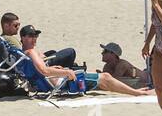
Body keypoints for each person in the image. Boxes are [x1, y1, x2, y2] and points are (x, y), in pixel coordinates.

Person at [19, 26, 150, 96]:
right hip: (61, 82)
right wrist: (66, 72)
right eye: (31, 36)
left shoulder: (24, 54)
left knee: (103, 79)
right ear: (23, 38)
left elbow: (42, 70)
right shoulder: (31, 52)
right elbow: (44, 70)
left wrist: (59, 69)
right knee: (105, 77)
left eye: (35, 36)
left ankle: (134, 91)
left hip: (54, 82)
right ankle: (135, 93)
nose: (34, 38)